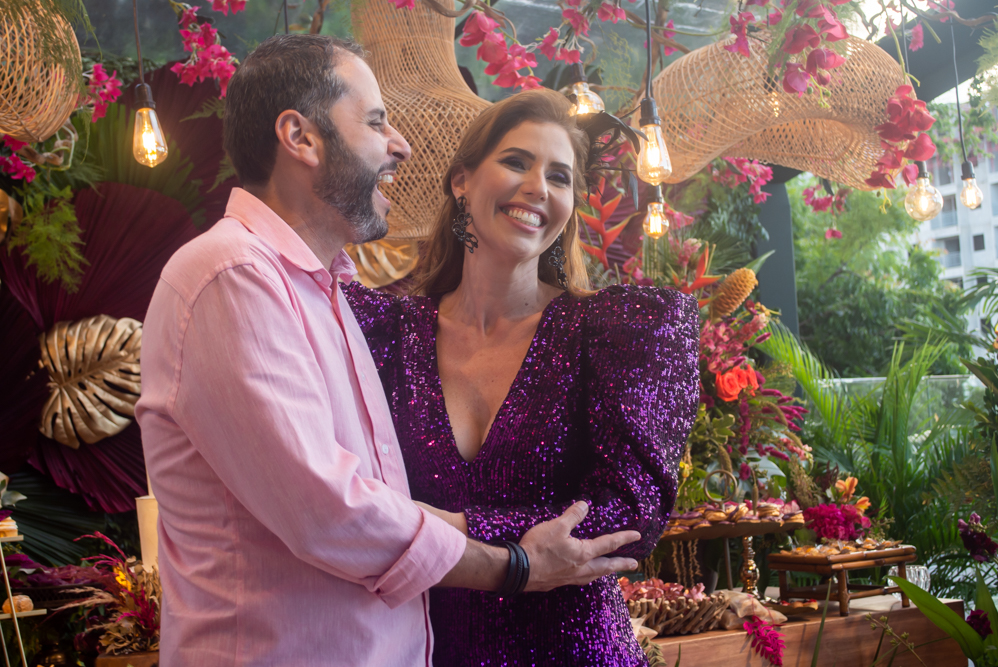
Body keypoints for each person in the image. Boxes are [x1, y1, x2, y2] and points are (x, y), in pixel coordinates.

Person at [136, 35, 642, 667]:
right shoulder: (232, 275)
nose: (399, 145)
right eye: (376, 122)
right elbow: (329, 511)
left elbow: (377, 505)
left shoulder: (329, 294)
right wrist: (516, 565)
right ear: (300, 137)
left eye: (560, 176)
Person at [343, 89, 700, 666]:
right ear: (461, 181)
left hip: (577, 652)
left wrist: (450, 526)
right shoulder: (382, 332)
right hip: (423, 651)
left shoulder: (614, 332)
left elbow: (630, 512)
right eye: (516, 162)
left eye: (559, 177)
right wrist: (516, 549)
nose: (538, 187)